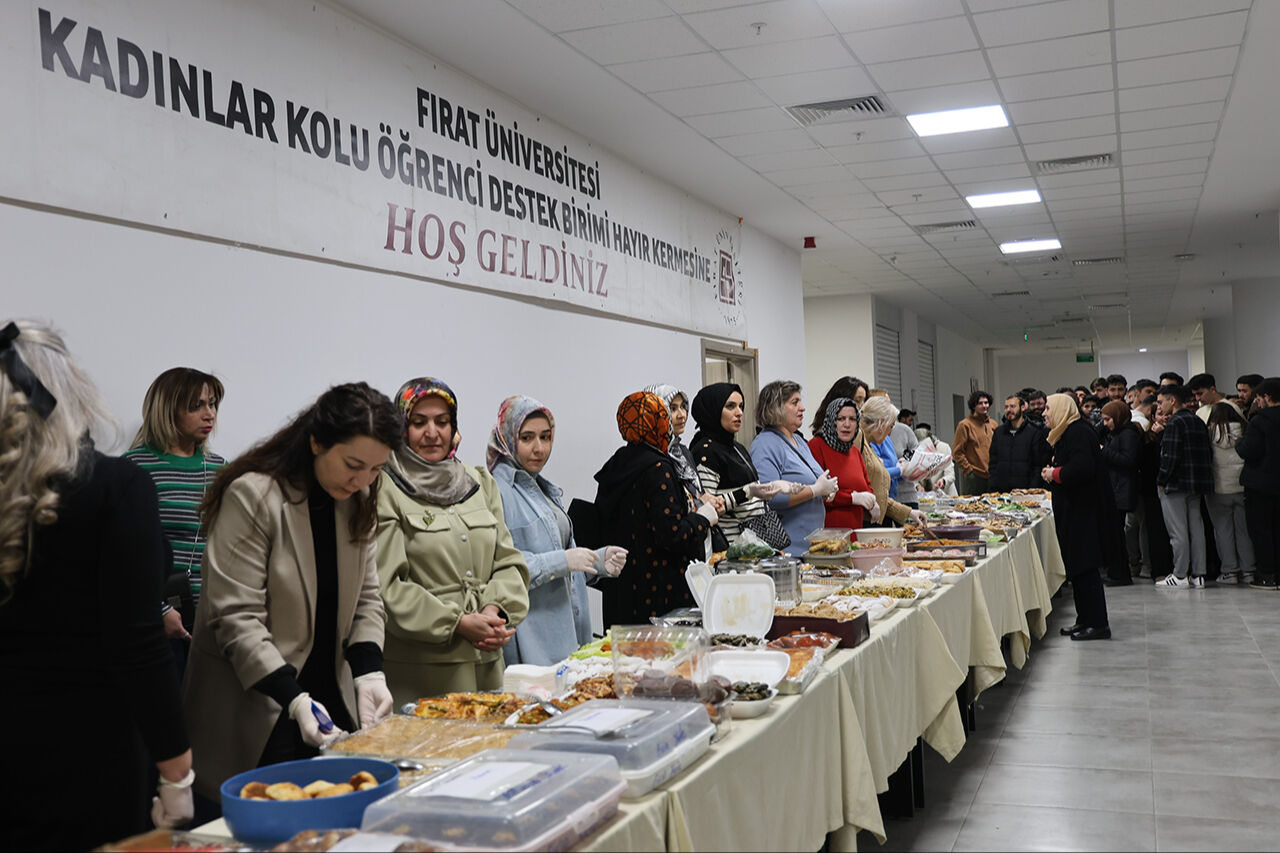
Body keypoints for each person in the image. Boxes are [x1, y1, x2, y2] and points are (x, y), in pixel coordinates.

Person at [0, 322, 193, 849]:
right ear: (74, 391)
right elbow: (140, 647)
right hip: (88, 750)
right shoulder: (114, 486)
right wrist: (178, 773)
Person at [185, 383, 399, 798]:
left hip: (328, 701)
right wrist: (295, 699)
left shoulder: (360, 497)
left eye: (376, 470)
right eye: (353, 464)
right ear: (317, 442)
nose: (362, 481)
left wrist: (369, 669)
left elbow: (367, 599)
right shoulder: (254, 495)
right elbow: (236, 619)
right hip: (256, 704)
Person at [375, 378, 529, 704]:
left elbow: (509, 562)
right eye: (419, 423)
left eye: (442, 422)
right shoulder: (383, 488)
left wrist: (494, 610)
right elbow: (387, 586)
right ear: (401, 427)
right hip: (422, 673)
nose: (433, 433)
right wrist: (457, 623)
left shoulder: (478, 483)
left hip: (487, 662)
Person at [487, 395, 626, 666]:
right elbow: (500, 568)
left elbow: (561, 557)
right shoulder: (496, 491)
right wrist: (563, 561)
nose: (539, 448)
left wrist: (597, 561)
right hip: (533, 643)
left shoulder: (542, 488)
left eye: (546, 437)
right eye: (527, 438)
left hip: (570, 637)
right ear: (507, 438)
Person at [124, 368, 227, 674]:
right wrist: (160, 609)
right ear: (168, 411)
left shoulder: (221, 469)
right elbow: (124, 554)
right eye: (196, 406)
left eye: (212, 405)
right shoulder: (134, 467)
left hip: (209, 623)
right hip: (151, 621)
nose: (209, 415)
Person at [594, 392, 718, 624]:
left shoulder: (616, 463)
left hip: (623, 592)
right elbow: (672, 534)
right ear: (660, 422)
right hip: (659, 596)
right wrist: (703, 518)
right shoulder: (658, 467)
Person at [1039, 393, 1111, 640]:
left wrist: (1054, 473)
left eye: (1048, 408)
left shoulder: (1077, 432)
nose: (1044, 413)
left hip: (1084, 513)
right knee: (1078, 570)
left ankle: (1098, 623)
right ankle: (1084, 619)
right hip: (1075, 512)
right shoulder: (1067, 433)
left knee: (1086, 569)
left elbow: (1082, 469)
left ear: (1061, 409)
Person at [689, 382, 786, 545]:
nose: (739, 413)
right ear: (712, 409)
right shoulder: (706, 451)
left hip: (753, 544)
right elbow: (707, 508)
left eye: (741, 406)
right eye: (730, 406)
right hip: (730, 549)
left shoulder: (736, 447)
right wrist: (748, 492)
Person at [749, 380, 838, 548]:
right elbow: (770, 496)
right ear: (775, 408)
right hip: (790, 550)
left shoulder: (798, 440)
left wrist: (827, 488)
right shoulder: (765, 444)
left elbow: (811, 477)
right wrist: (814, 490)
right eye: (794, 402)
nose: (802, 408)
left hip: (812, 544)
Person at [1153, 384, 1213, 589]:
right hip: (1197, 483)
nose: (1159, 407)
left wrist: (1161, 480)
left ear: (1172, 401)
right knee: (1196, 529)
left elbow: (1169, 456)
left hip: (1175, 484)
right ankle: (1198, 574)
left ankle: (1179, 574)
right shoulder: (1197, 421)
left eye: (1161, 402)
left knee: (1178, 532)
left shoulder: (1174, 424)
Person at [643, 383, 724, 515]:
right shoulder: (651, 457)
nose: (682, 415)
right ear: (655, 413)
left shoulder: (681, 452)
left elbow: (695, 494)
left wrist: (706, 500)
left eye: (682, 407)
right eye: (672, 408)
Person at [1236, 377, 1280, 590]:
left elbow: (1249, 451)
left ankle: (1267, 575)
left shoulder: (1259, 420)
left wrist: (1239, 442)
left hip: (1260, 483)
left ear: (1267, 397)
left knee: (1261, 530)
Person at [1204, 402, 1255, 585]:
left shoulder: (1208, 433)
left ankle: (1229, 571)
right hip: (1242, 488)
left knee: (1223, 532)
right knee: (1244, 531)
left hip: (1218, 489)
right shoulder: (1245, 429)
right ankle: (1249, 570)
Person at [808, 397, 878, 530]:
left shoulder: (854, 451)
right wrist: (851, 498)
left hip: (855, 532)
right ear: (831, 420)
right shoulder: (816, 447)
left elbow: (866, 484)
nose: (847, 424)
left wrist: (872, 499)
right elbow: (817, 494)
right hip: (828, 536)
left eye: (852, 419)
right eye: (841, 419)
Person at [860, 397, 927, 528]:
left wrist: (908, 512)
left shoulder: (869, 444)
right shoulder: (860, 443)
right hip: (867, 521)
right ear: (881, 423)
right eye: (890, 427)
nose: (890, 433)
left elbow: (880, 495)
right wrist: (899, 470)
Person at [1099, 401, 1141, 586]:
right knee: (1113, 534)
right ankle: (1116, 572)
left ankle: (1121, 574)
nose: (1105, 424)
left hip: (1122, 489)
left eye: (1108, 419)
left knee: (1117, 534)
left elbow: (1128, 460)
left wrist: (1104, 452)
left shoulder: (1128, 434)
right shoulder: (1115, 434)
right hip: (1115, 488)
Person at [988, 393, 1049, 492]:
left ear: (1023, 408)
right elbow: (993, 462)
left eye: (1012, 406)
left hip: (1025, 490)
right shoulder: (999, 432)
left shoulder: (1034, 432)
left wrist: (1033, 488)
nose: (1009, 410)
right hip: (1002, 490)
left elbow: (1037, 465)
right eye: (1006, 407)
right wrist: (993, 485)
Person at [953, 390, 995, 495]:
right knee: (973, 508)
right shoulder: (965, 425)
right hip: (975, 476)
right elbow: (957, 452)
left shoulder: (993, 424)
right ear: (973, 406)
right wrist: (969, 470)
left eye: (986, 403)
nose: (984, 406)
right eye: (980, 403)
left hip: (992, 475)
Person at [914, 423, 957, 496]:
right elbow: (911, 475)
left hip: (945, 494)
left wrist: (943, 481)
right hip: (924, 496)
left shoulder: (944, 448)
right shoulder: (914, 452)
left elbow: (950, 474)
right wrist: (917, 486)